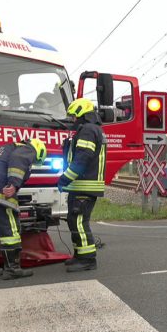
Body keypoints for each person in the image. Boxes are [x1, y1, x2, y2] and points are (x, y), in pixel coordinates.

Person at [0, 138, 47, 280]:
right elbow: (19, 160)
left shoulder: (1, 149)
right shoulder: (27, 149)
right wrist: (14, 183)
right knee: (10, 231)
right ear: (38, 151)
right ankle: (12, 269)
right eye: (34, 161)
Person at [57, 98, 107, 272]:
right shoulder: (90, 129)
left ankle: (87, 259)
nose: (71, 120)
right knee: (73, 219)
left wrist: (65, 178)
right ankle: (80, 254)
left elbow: (82, 158)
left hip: (85, 186)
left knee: (78, 221)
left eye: (73, 116)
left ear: (81, 113)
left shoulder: (87, 130)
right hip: (80, 186)